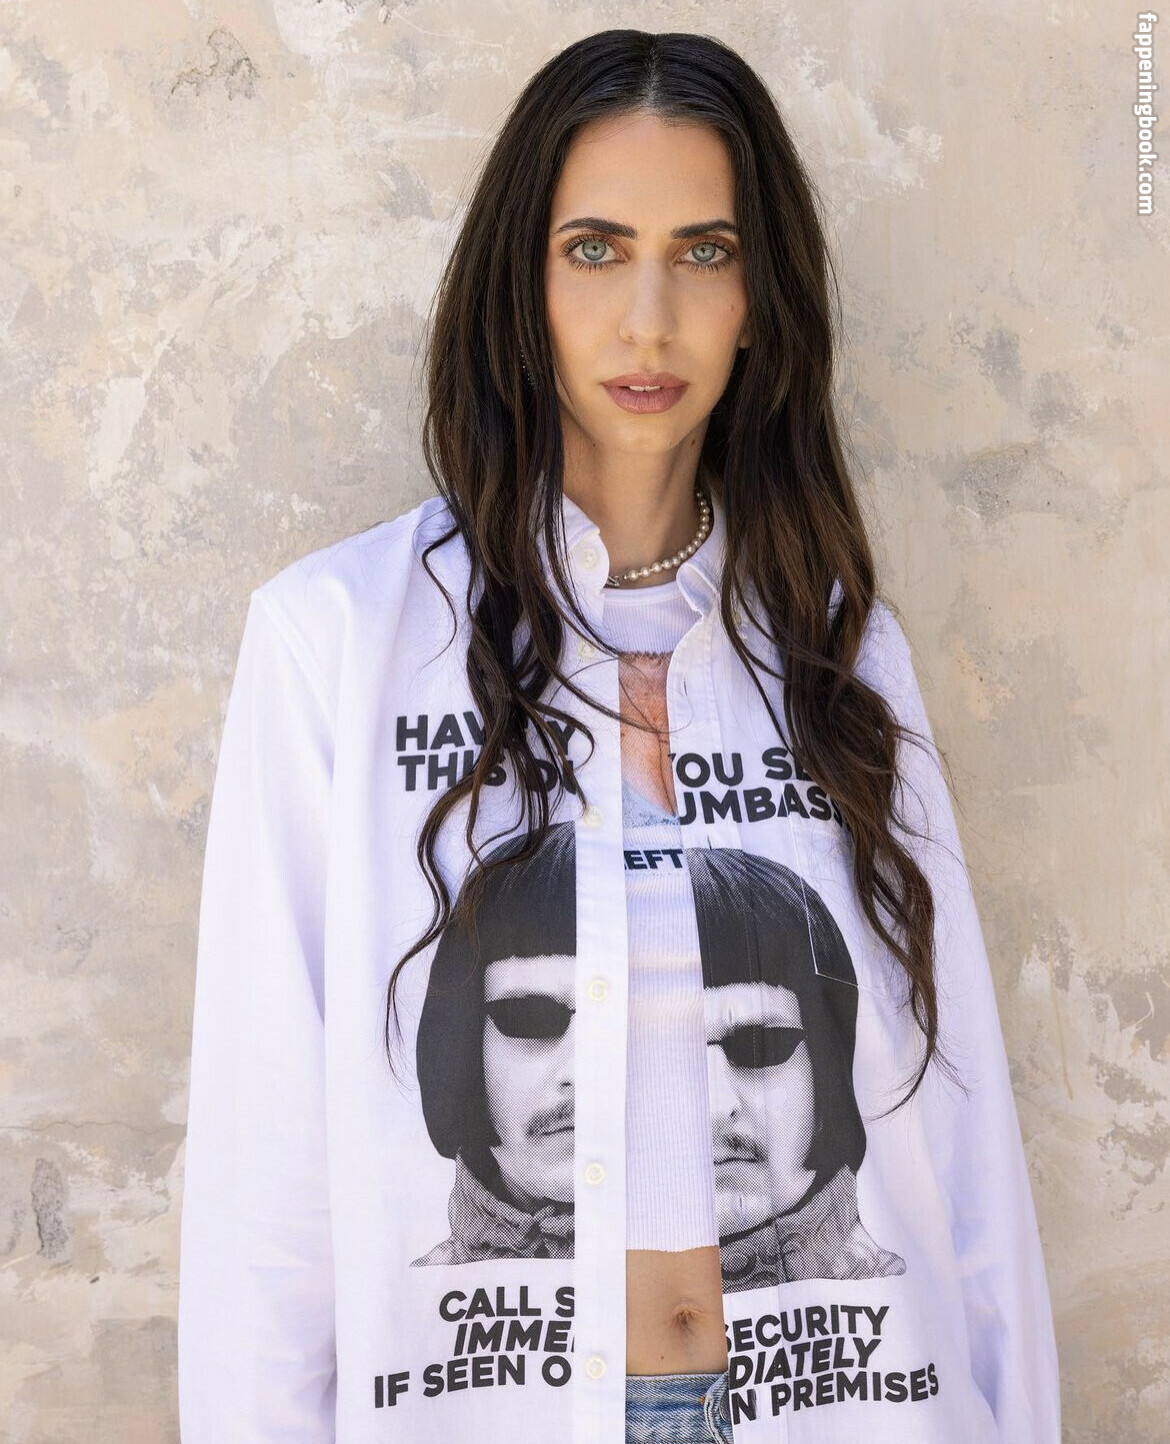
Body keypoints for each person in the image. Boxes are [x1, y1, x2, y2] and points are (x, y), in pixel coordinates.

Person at [177, 27, 1061, 1444]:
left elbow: (951, 1126)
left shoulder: (842, 652)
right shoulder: (335, 641)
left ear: (758, 303)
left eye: (704, 253)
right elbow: (265, 1173)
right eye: (594, 250)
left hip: (848, 1409)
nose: (649, 319)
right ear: (520, 290)